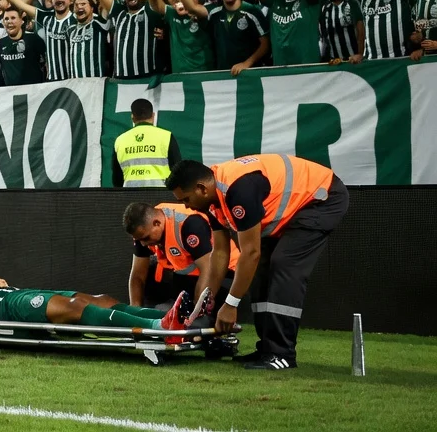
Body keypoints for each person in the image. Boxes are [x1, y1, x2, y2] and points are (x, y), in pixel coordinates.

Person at [168, 155, 349, 370]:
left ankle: (282, 355)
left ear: (201, 188)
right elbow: (220, 254)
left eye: (186, 199)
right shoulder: (212, 199)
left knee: (284, 265)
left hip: (323, 198)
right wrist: (207, 300)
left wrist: (231, 305)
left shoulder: (237, 190)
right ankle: (268, 350)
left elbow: (250, 252)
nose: (186, 207)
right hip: (295, 210)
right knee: (262, 270)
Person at [0, 267, 185, 333]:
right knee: (74, 309)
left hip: (11, 295)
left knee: (98, 299)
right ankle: (157, 324)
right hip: (1, 308)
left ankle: (169, 315)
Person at [122, 201, 236, 309]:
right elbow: (137, 274)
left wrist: (196, 310)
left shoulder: (189, 224)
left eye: (146, 238)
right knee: (151, 272)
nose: (143, 243)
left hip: (225, 274)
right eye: (139, 240)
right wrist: (135, 309)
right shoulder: (143, 232)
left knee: (198, 316)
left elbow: (208, 270)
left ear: (157, 223)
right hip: (189, 277)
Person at [110, 99, 181, 188]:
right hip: (162, 195)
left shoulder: (120, 140)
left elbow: (117, 178)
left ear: (132, 117)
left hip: (130, 196)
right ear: (153, 115)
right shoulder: (166, 136)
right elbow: (178, 171)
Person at [0, 6, 47, 86]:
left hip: (34, 92)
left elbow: (46, 65)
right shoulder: (1, 42)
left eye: (13, 18)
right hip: (12, 93)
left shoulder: (34, 39)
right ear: (3, 23)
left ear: (21, 21)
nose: (9, 21)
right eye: (6, 19)